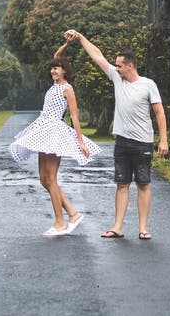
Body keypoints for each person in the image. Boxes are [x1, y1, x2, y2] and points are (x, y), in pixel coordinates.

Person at [64, 30, 168, 240]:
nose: (116, 67)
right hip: (122, 141)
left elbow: (159, 112)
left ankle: (143, 228)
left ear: (130, 65)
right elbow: (97, 56)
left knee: (143, 183)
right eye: (116, 65)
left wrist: (163, 139)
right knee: (122, 183)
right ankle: (118, 226)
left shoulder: (148, 84)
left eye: (119, 65)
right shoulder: (117, 79)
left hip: (143, 142)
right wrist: (81, 38)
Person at [9, 38, 101, 236]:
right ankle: (73, 214)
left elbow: (74, 116)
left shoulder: (67, 89)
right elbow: (57, 56)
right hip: (42, 129)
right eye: (52, 69)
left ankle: (60, 223)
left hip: (54, 132)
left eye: (57, 69)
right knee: (44, 180)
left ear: (65, 71)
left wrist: (80, 140)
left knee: (51, 178)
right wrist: (67, 44)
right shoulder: (54, 85)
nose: (53, 71)